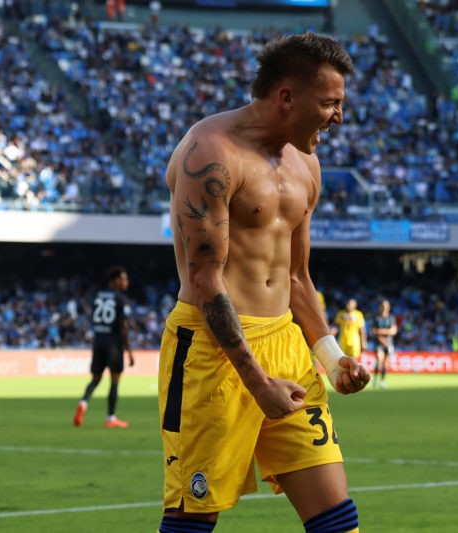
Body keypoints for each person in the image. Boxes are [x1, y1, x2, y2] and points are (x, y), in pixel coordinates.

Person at [158, 32, 369, 533]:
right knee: (193, 521)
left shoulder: (307, 163)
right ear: (286, 97)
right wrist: (259, 384)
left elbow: (297, 277)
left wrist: (331, 357)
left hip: (286, 347)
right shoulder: (208, 154)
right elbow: (205, 279)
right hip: (213, 354)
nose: (339, 116)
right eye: (330, 103)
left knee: (337, 521)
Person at [73, 266, 134, 428]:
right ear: (116, 281)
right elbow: (123, 327)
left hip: (98, 341)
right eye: (124, 279)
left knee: (95, 379)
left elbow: (93, 318)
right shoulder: (120, 299)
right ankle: (110, 418)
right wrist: (129, 352)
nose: (126, 282)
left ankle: (83, 402)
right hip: (113, 343)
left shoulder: (98, 296)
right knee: (114, 381)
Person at [370, 299, 396, 389]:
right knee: (379, 360)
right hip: (379, 343)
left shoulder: (391, 318)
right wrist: (382, 338)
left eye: (386, 305)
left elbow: (393, 331)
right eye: (383, 305)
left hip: (389, 343)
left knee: (385, 363)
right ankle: (375, 379)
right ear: (380, 307)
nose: (385, 307)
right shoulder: (376, 318)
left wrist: (381, 331)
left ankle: (382, 381)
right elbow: (374, 331)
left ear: (389, 307)